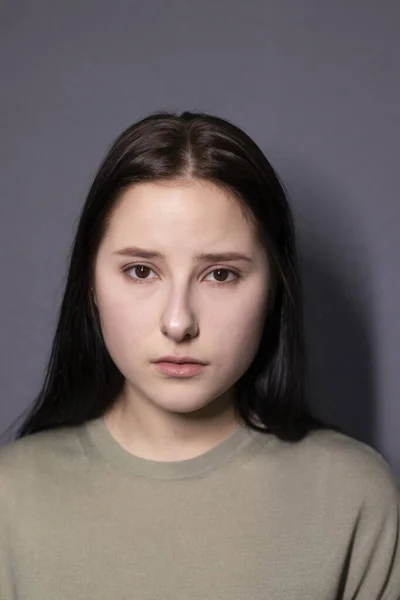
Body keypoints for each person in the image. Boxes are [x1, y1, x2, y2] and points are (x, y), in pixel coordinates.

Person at [0, 111, 399, 599]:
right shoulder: (11, 495)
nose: (178, 322)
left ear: (275, 288)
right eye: (142, 271)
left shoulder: (353, 496)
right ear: (90, 284)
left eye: (221, 274)